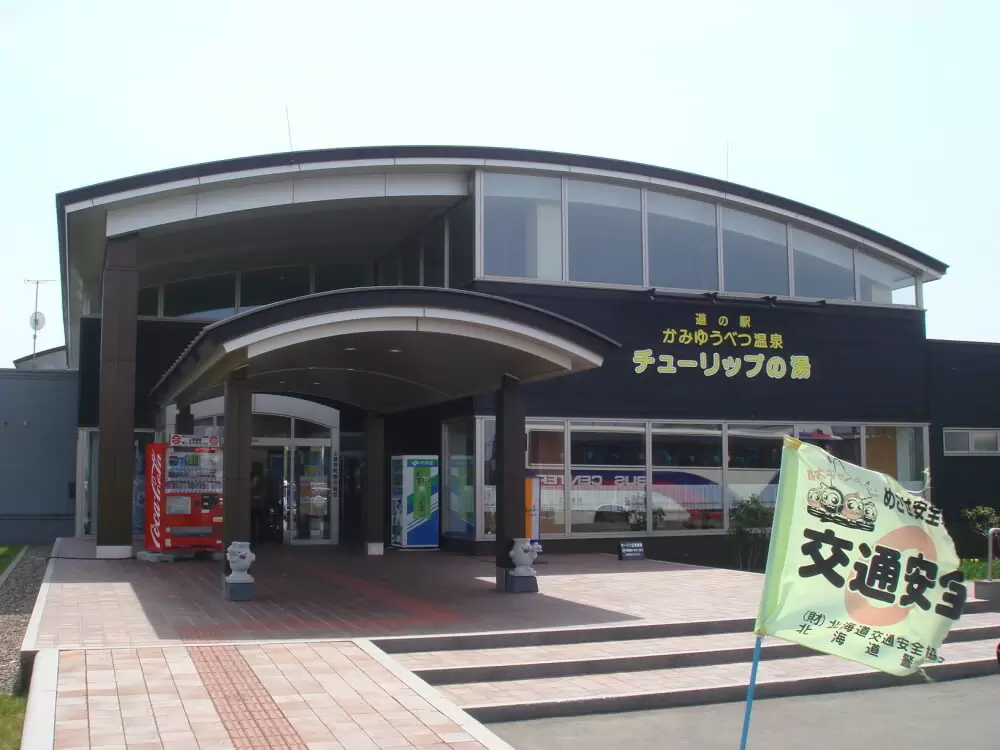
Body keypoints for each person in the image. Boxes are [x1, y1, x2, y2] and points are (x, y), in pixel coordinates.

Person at [250, 472, 265, 543]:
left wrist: (254, 497)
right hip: (253, 507)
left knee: (260, 523)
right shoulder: (251, 487)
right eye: (255, 480)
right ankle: (253, 538)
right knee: (253, 524)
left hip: (259, 507)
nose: (256, 481)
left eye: (257, 480)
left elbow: (261, 496)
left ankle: (259, 539)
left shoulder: (260, 487)